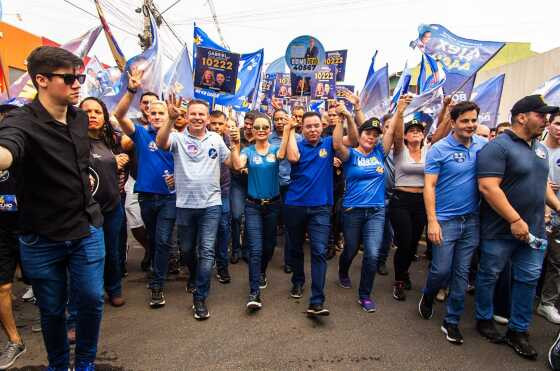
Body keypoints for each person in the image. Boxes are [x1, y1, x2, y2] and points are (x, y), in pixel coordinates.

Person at [0, 46, 104, 370]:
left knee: (90, 300)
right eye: (70, 78)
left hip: (85, 229)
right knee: (52, 309)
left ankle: (84, 362)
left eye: (80, 77)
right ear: (41, 80)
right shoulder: (21, 121)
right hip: (41, 239)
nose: (78, 84)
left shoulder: (80, 118)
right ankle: (58, 364)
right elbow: (7, 149)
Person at [475, 95, 560, 359]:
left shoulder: (541, 149)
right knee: (490, 274)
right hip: (500, 230)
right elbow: (488, 187)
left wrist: (557, 206)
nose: (545, 119)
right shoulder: (497, 147)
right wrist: (514, 219)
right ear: (522, 117)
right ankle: (484, 319)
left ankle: (518, 330)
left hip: (533, 231)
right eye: (540, 114)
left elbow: (542, 183)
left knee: (528, 279)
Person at [156, 97, 234, 321]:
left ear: (208, 118)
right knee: (188, 250)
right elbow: (161, 143)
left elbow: (232, 163)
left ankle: (200, 296)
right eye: (193, 114)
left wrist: (236, 148)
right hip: (185, 205)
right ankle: (194, 274)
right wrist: (170, 119)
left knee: (207, 250)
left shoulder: (216, 139)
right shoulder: (177, 138)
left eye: (202, 114)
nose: (198, 118)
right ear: (187, 116)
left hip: (211, 204)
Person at [418, 101, 487, 345]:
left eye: (473, 120)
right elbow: (430, 186)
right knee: (441, 270)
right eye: (465, 121)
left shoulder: (484, 145)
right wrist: (432, 221)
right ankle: (427, 295)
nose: (470, 125)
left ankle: (452, 320)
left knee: (461, 273)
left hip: (472, 222)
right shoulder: (439, 149)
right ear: (454, 122)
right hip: (444, 222)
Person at [283, 106, 358, 316]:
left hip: (321, 208)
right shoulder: (297, 144)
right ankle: (298, 281)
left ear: (322, 126)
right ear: (303, 129)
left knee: (318, 251)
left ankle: (317, 300)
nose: (313, 129)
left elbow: (352, 140)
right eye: (308, 126)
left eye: (316, 125)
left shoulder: (329, 143)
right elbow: (292, 158)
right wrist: (289, 130)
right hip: (295, 205)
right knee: (295, 248)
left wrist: (347, 118)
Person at [114, 69, 176, 309]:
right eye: (154, 113)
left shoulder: (177, 137)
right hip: (146, 198)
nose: (158, 116)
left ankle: (157, 284)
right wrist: (131, 90)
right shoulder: (139, 133)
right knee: (154, 238)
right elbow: (119, 114)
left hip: (169, 199)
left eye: (162, 113)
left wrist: (176, 180)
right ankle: (161, 266)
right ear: (147, 115)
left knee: (161, 240)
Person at [389, 95, 452, 301]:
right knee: (405, 242)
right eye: (412, 131)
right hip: (401, 201)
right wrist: (400, 111)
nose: (416, 133)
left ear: (424, 135)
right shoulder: (400, 150)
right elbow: (396, 134)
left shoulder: (429, 151)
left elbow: (442, 131)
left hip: (422, 202)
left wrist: (446, 108)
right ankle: (399, 280)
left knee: (414, 242)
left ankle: (404, 271)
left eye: (419, 130)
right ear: (406, 136)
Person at [335, 114, 395, 312]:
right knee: (351, 249)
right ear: (359, 135)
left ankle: (364, 295)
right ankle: (343, 271)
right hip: (353, 211)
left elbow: (391, 131)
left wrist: (401, 110)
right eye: (368, 133)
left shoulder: (380, 152)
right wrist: (342, 118)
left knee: (372, 253)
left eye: (375, 135)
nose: (372, 137)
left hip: (376, 212)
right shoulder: (351, 155)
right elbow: (337, 144)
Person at [230, 113, 289, 309]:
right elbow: (238, 165)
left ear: (270, 130)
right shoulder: (247, 150)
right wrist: (235, 145)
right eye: (257, 127)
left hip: (273, 206)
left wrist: (288, 130)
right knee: (255, 249)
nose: (261, 130)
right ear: (252, 131)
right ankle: (254, 292)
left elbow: (282, 155)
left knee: (269, 246)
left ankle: (262, 271)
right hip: (253, 206)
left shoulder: (275, 149)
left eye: (265, 127)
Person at [0, 103, 26, 369]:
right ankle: (15, 340)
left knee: (41, 282)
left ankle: (57, 322)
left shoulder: (26, 149)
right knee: (3, 286)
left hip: (32, 225)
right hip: (1, 228)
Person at [269, 109, 301, 273]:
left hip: (292, 186)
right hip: (272, 185)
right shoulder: (268, 138)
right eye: (277, 119)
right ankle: (265, 256)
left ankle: (289, 261)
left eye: (283, 118)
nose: (280, 122)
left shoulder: (299, 138)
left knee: (290, 225)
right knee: (272, 223)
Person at [537, 111, 560, 324]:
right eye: (558, 124)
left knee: (557, 262)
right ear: (549, 125)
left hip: (558, 216)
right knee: (533, 261)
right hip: (537, 215)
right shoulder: (537, 149)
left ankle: (547, 302)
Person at [208, 110, 232, 284]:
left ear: (225, 125)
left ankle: (223, 266)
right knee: (206, 233)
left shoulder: (230, 141)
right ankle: (204, 266)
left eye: (220, 124)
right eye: (214, 123)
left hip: (223, 192)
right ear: (209, 122)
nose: (217, 127)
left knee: (223, 229)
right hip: (204, 194)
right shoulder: (204, 139)